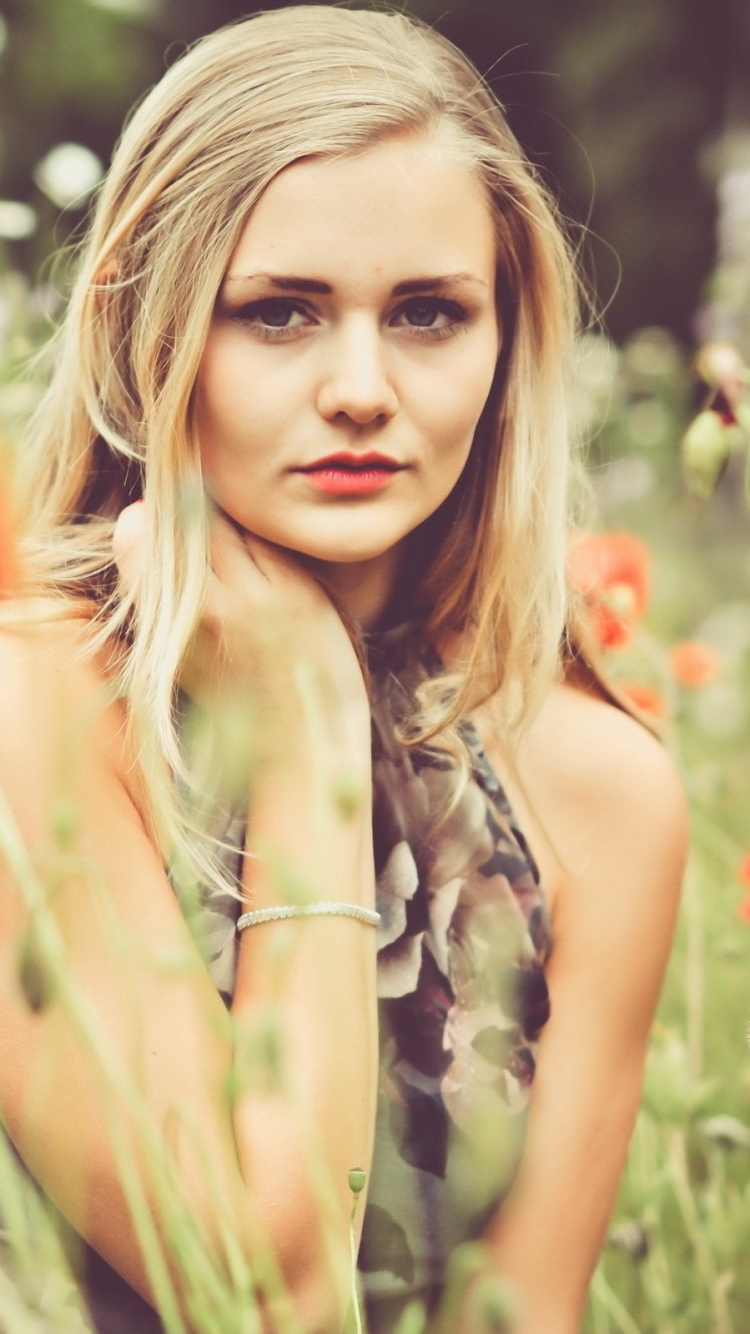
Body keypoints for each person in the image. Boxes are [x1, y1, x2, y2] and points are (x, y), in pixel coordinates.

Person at [0, 6, 687, 1333]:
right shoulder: (33, 709)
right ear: (149, 322)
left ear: (506, 341)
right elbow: (272, 1298)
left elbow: (518, 1315)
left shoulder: (596, 790)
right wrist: (308, 723)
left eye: (429, 313)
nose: (361, 387)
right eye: (279, 313)